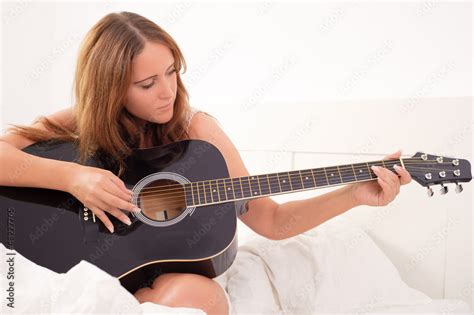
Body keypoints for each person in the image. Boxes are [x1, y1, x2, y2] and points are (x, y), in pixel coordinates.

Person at [0, 11, 412, 315]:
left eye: (171, 72)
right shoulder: (87, 121)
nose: (167, 92)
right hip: (79, 251)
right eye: (147, 84)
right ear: (111, 92)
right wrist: (73, 177)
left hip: (151, 275)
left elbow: (271, 220)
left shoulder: (197, 130)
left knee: (207, 298)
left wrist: (355, 194)